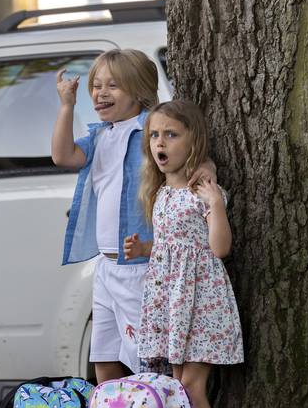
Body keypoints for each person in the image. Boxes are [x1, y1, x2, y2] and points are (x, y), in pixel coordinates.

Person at [51, 49, 214, 383]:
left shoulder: (150, 133)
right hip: (106, 267)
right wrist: (66, 106)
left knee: (150, 361)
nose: (101, 92)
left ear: (139, 91)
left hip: (141, 266)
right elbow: (62, 156)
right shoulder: (99, 136)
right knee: (105, 360)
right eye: (96, 85)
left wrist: (206, 166)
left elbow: (189, 161)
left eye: (114, 85)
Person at [125, 99, 244, 408]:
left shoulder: (203, 191)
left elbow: (219, 247)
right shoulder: (160, 192)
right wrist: (146, 249)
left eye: (171, 134)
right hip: (169, 301)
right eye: (155, 135)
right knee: (176, 390)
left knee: (191, 389)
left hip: (199, 303)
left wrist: (215, 205)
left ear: (193, 141)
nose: (161, 142)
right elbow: (174, 244)